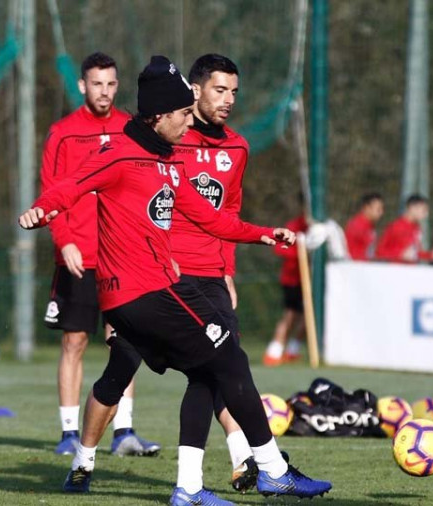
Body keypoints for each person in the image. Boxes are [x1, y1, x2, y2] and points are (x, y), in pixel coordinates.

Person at [19, 55, 331, 505]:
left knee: (205, 370)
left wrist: (265, 234)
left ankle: (187, 488)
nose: (189, 123)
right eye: (184, 114)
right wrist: (42, 211)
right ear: (161, 115)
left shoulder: (163, 162)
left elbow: (212, 219)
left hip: (153, 294)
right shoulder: (122, 154)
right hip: (141, 294)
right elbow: (70, 184)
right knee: (230, 358)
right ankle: (273, 471)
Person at [40, 51, 158, 457]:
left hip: (122, 257)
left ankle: (123, 430)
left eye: (110, 84)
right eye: (96, 84)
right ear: (81, 85)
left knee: (124, 341)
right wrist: (65, 240)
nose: (104, 91)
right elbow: (50, 195)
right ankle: (69, 433)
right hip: (78, 257)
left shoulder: (131, 128)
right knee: (74, 341)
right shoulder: (63, 134)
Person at [168, 53, 258, 491]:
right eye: (220, 90)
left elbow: (231, 212)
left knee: (215, 369)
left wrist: (227, 270)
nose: (228, 100)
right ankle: (83, 454)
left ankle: (202, 478)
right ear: (196, 89)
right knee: (118, 369)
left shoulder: (238, 147)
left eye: (234, 92)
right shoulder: (169, 139)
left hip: (211, 276)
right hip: (164, 278)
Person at [263, 212, 308, 367]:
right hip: (292, 280)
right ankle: (273, 352)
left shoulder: (316, 228)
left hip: (308, 281)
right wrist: (299, 251)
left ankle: (292, 351)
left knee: (307, 317)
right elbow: (279, 248)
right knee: (290, 315)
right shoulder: (294, 226)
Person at [375, 194, 433, 262]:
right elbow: (379, 252)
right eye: (424, 210)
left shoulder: (417, 228)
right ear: (412, 208)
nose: (426, 214)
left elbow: (415, 254)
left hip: (410, 270)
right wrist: (399, 255)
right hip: (395, 270)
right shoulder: (395, 227)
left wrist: (431, 255)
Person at [345, 192, 384, 260]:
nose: (381, 212)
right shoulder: (357, 225)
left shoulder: (369, 225)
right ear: (367, 208)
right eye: (378, 209)